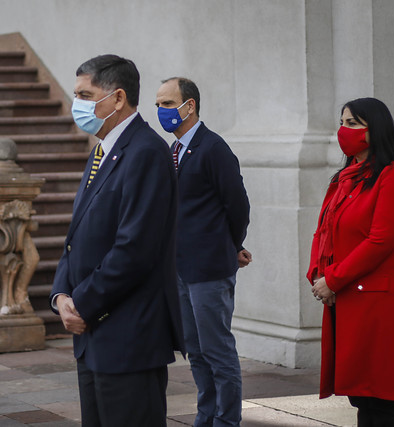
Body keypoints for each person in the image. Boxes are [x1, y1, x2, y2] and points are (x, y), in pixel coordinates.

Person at [50, 55, 184, 427]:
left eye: (85, 95)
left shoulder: (146, 152)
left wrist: (82, 303)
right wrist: (61, 295)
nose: (77, 104)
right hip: (93, 335)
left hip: (129, 336)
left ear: (118, 98)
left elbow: (135, 249)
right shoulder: (102, 150)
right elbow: (76, 236)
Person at [308, 97, 394, 427]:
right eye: (342, 123)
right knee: (360, 394)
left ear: (376, 129)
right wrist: (318, 275)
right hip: (348, 296)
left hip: (379, 300)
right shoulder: (345, 177)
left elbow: (380, 241)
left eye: (353, 123)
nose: (344, 130)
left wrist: (333, 279)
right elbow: (324, 231)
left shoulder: (393, 176)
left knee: (381, 394)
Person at [155, 77, 251, 427]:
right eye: (158, 104)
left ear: (189, 105)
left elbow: (237, 205)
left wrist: (232, 245)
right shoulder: (174, 150)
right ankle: (206, 415)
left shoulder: (213, 148)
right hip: (180, 268)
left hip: (209, 269)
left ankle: (226, 420)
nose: (161, 111)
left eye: (168, 104)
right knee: (194, 351)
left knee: (217, 350)